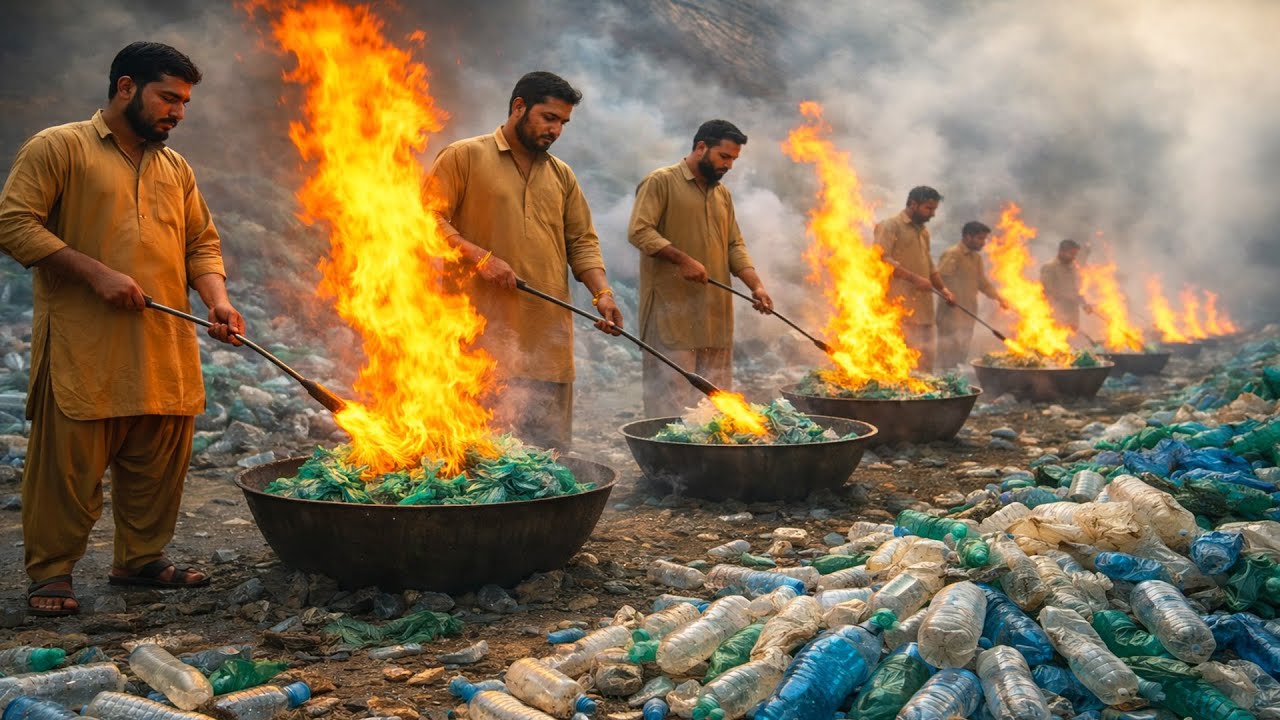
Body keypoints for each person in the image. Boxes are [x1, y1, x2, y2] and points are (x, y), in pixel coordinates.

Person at [0, 42, 245, 617]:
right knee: (67, 467)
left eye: (184, 102)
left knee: (157, 460)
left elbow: (201, 244)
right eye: (168, 98)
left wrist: (218, 301)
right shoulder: (59, 146)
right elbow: (12, 222)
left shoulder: (174, 167)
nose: (178, 113)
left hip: (164, 345)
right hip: (85, 344)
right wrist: (94, 274)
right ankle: (52, 573)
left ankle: (139, 560)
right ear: (127, 87)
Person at [429, 71, 623, 451]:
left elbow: (582, 242)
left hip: (548, 345)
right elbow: (425, 218)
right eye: (549, 118)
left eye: (563, 123)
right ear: (519, 107)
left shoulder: (562, 175)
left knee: (547, 463)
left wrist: (604, 293)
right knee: (481, 463)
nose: (556, 130)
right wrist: (479, 257)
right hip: (479, 346)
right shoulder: (464, 156)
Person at [627, 120, 772, 417]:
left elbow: (734, 246)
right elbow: (640, 232)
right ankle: (666, 463)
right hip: (671, 317)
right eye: (724, 157)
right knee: (671, 407)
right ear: (701, 147)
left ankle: (711, 463)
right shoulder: (661, 182)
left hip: (715, 318)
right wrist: (683, 260)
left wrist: (756, 286)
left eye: (733, 159)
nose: (729, 165)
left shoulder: (723, 196)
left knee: (715, 405)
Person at [874, 185, 954, 373]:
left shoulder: (924, 232)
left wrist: (943, 290)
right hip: (900, 309)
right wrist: (915, 278)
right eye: (928, 208)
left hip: (925, 310)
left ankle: (928, 399)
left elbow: (930, 267)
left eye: (934, 209)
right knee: (902, 363)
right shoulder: (890, 226)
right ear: (912, 204)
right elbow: (881, 259)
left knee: (925, 362)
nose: (932, 214)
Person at [935, 221, 1008, 369]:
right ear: (968, 237)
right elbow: (939, 280)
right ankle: (946, 381)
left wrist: (999, 298)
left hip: (968, 314)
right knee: (948, 352)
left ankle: (957, 378)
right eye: (980, 239)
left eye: (984, 239)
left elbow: (982, 282)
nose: (983, 243)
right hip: (951, 314)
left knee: (962, 352)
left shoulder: (976, 258)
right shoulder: (952, 254)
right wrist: (948, 295)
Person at [1040, 238, 1093, 330]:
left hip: (1072, 316)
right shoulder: (1049, 268)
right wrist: (1057, 314)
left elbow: (1075, 291)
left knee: (1073, 342)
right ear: (1061, 252)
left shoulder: (1073, 268)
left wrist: (1085, 305)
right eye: (1071, 254)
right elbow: (1046, 294)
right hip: (1055, 317)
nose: (1074, 257)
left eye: (1075, 254)